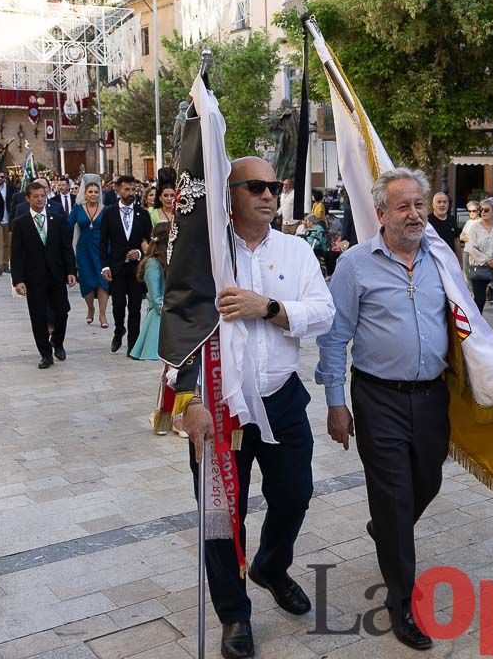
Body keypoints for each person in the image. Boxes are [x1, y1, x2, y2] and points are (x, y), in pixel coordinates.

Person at [178, 157, 334, 659]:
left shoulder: (295, 249)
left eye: (276, 186)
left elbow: (324, 311)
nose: (270, 194)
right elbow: (179, 331)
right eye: (257, 186)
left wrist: (267, 308)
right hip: (221, 403)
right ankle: (234, 615)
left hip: (282, 397)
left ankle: (270, 564)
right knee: (222, 517)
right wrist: (190, 401)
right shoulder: (204, 253)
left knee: (295, 492)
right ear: (231, 194)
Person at [316, 167, 451, 651]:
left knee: (428, 481)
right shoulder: (355, 264)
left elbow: (464, 322)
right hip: (378, 399)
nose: (415, 214)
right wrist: (336, 403)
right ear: (380, 214)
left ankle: (386, 529)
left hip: (434, 396)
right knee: (394, 496)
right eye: (403, 207)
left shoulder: (441, 257)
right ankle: (401, 603)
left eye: (419, 204)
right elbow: (334, 338)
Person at [11, 181, 77, 369]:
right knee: (38, 316)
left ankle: (58, 342)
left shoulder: (57, 218)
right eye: (35, 196)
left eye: (42, 196)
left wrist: (71, 271)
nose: (40, 199)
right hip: (34, 277)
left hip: (57, 274)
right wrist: (18, 280)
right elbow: (16, 254)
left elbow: (66, 247)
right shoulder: (21, 223)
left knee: (62, 311)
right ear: (28, 199)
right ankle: (45, 353)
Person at [100, 175, 152, 355]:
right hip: (117, 267)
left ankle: (133, 344)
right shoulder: (109, 213)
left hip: (136, 269)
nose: (131, 193)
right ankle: (118, 330)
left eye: (133, 190)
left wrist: (139, 252)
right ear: (118, 190)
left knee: (135, 306)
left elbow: (149, 241)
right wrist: (105, 266)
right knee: (118, 304)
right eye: (127, 189)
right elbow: (102, 242)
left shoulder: (143, 214)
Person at [462, 197, 493, 343]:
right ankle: (474, 331)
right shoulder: (475, 227)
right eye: (481, 210)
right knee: (479, 300)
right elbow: (471, 247)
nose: (482, 212)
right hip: (480, 269)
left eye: (486, 210)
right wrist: (487, 260)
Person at [70, 181, 110, 329]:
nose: (93, 194)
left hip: (102, 248)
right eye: (90, 192)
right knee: (86, 280)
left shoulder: (106, 209)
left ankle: (102, 313)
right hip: (84, 248)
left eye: (96, 192)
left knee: (102, 280)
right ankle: (90, 308)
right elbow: (68, 226)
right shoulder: (77, 209)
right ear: (84, 194)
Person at [130, 222, 168, 363]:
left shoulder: (166, 261)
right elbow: (155, 296)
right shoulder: (153, 263)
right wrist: (168, 310)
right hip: (160, 317)